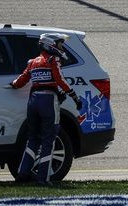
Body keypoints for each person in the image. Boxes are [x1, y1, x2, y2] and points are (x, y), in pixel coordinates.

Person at [10, 33, 82, 186]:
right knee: (49, 138)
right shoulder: (53, 59)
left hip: (33, 101)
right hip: (48, 101)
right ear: (50, 45)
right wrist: (74, 96)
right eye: (60, 44)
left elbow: (20, 81)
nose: (61, 48)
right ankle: (43, 178)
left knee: (33, 138)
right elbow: (59, 79)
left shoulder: (32, 62)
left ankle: (22, 174)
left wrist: (13, 84)